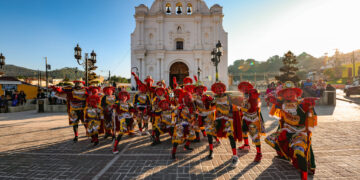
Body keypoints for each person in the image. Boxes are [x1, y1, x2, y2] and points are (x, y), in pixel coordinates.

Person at [265, 81, 318, 180]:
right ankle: (286, 157)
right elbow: (273, 100)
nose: (288, 94)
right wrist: (269, 98)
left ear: (296, 93)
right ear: (283, 95)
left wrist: (310, 107)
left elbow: (311, 115)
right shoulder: (282, 103)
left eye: (291, 92)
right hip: (287, 130)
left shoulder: (302, 104)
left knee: (299, 151)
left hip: (300, 133)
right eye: (286, 92)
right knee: (271, 139)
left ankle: (304, 176)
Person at [209, 81, 239, 167]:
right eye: (216, 88)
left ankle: (235, 156)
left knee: (231, 136)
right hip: (218, 119)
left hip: (228, 119)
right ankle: (211, 151)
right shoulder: (214, 98)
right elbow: (212, 107)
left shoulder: (228, 96)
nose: (218, 90)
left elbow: (233, 107)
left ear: (223, 89)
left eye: (220, 88)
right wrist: (209, 102)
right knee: (210, 131)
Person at [237, 82, 265, 162]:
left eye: (246, 87)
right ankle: (246, 145)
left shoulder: (253, 92)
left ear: (249, 87)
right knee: (244, 132)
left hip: (253, 118)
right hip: (246, 116)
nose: (244, 89)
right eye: (242, 88)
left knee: (255, 135)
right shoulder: (244, 95)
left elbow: (254, 102)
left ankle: (259, 153)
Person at [171, 91, 196, 160]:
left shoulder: (192, 106)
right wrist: (174, 122)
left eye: (189, 97)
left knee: (192, 135)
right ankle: (173, 153)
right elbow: (174, 114)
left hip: (189, 123)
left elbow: (194, 115)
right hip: (180, 124)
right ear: (182, 99)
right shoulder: (180, 106)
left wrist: (193, 121)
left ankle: (186, 146)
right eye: (186, 97)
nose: (188, 98)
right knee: (177, 139)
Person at [112, 89, 135, 154]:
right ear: (120, 96)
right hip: (122, 117)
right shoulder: (117, 102)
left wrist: (135, 109)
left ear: (127, 97)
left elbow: (132, 109)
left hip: (129, 117)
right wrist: (114, 107)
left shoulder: (129, 103)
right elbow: (114, 107)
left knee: (133, 123)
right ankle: (115, 146)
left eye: (125, 96)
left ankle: (130, 131)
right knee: (122, 131)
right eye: (122, 95)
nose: (124, 97)